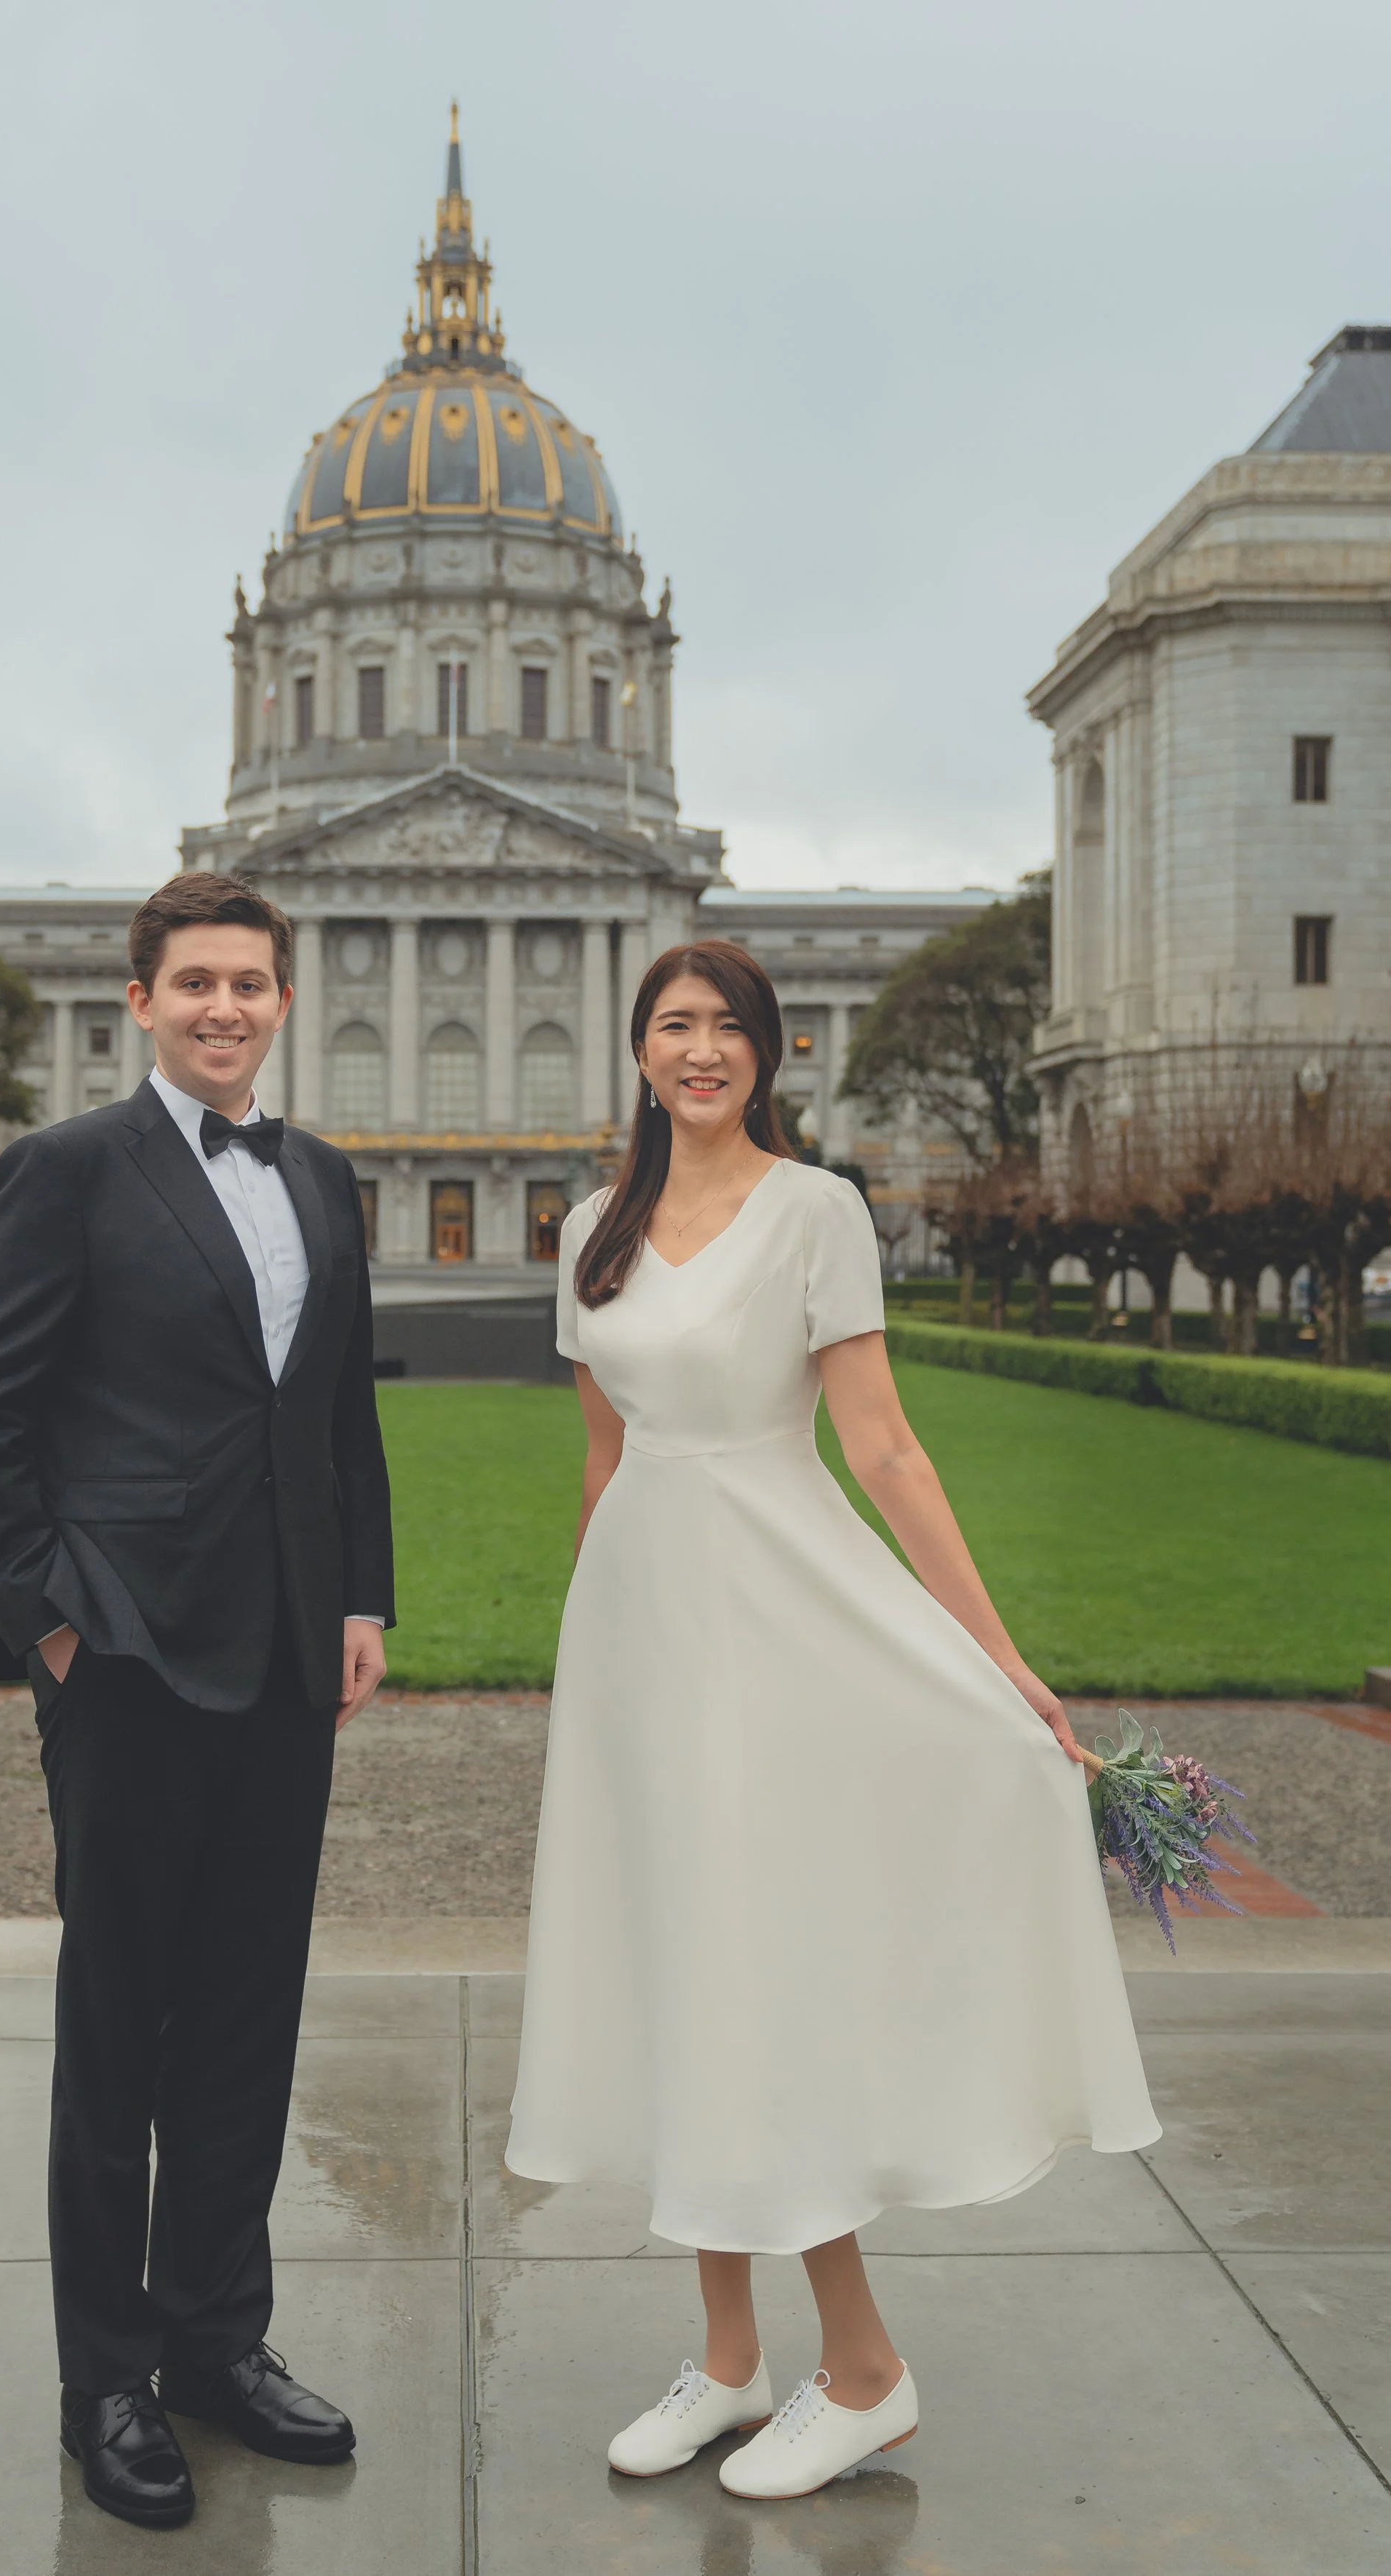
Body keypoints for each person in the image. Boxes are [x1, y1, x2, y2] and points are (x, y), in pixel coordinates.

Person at [505, 941, 1157, 2501]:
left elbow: (882, 1447)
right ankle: (731, 2364)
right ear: (638, 1051)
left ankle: (860, 2369)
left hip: (784, 1617)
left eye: (727, 1026)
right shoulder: (591, 1230)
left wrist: (998, 1661)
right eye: (673, 1025)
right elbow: (602, 1465)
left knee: (757, 1974)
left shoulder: (816, 1211)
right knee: (677, 1968)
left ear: (769, 1053)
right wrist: (587, 1653)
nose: (700, 1048)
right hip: (641, 1634)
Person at [0, 871, 394, 2531]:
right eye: (193, 982)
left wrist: (359, 1596)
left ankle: (215, 2340)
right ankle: (102, 2378)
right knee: (116, 2025)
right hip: (121, 1655)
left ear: (281, 1001)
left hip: (280, 1659)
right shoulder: (64, 1172)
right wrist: (47, 1622)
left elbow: (336, 1413)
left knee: (248, 2014)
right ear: (140, 999)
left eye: (249, 985)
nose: (222, 1008)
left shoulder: (321, 1178)